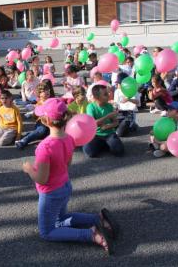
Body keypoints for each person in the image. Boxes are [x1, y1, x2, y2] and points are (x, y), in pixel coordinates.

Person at [22, 98, 118, 256]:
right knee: (61, 218)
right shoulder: (69, 138)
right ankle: (97, 219)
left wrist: (29, 169)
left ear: (46, 120)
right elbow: (67, 164)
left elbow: (42, 179)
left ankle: (91, 234)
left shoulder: (44, 147)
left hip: (51, 192)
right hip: (64, 186)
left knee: (47, 231)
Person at [83, 85, 124, 158]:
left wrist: (108, 126)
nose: (108, 95)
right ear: (96, 97)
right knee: (89, 153)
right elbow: (93, 123)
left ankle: (105, 144)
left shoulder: (109, 106)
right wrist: (108, 116)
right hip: (96, 135)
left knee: (119, 151)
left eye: (107, 93)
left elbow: (116, 122)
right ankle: (104, 145)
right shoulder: (90, 107)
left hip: (109, 134)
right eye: (105, 94)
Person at [15, 83, 51, 150]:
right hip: (41, 122)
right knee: (41, 131)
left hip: (50, 122)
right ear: (39, 94)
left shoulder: (51, 101)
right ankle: (23, 141)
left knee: (47, 134)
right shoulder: (39, 104)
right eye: (44, 91)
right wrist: (36, 114)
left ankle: (31, 134)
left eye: (47, 90)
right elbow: (35, 116)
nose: (46, 91)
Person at [113, 72, 140, 137]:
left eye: (119, 83)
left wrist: (129, 99)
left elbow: (138, 103)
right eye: (117, 83)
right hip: (119, 113)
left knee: (121, 132)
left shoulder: (133, 90)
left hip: (130, 112)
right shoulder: (117, 91)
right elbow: (116, 104)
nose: (117, 85)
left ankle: (132, 125)